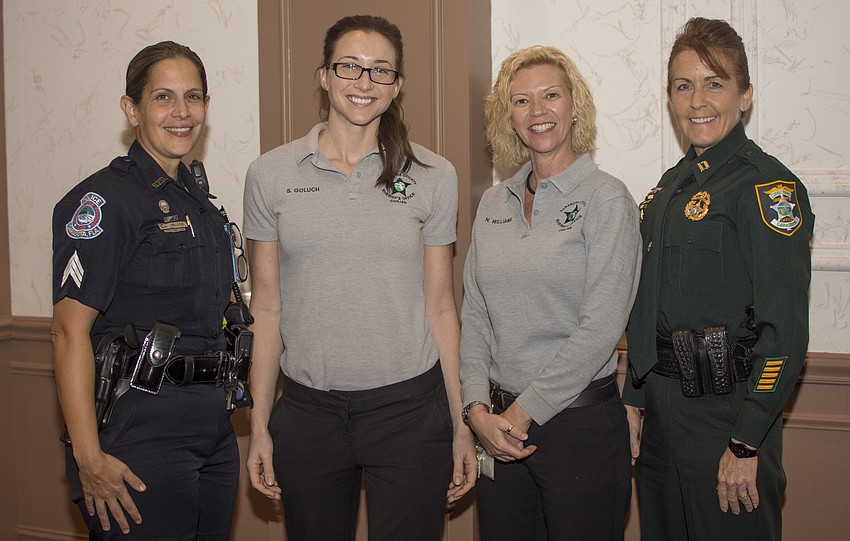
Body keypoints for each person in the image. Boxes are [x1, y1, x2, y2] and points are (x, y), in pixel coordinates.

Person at [243, 14, 476, 541]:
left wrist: (461, 424)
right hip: (308, 414)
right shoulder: (270, 174)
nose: (363, 82)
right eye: (348, 66)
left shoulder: (434, 177)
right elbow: (268, 308)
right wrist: (259, 423)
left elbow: (441, 306)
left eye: (379, 71)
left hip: (410, 415)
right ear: (324, 76)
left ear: (398, 87)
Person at [623, 17, 815, 541]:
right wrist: (635, 399)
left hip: (727, 416)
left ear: (745, 95)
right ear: (670, 98)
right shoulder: (667, 190)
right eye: (683, 85)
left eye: (715, 83)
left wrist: (747, 441)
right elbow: (650, 303)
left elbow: (786, 331)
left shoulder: (767, 188)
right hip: (661, 413)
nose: (697, 100)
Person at [51, 41, 241, 540]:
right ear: (132, 109)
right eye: (163, 97)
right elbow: (69, 335)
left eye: (193, 97)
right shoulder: (105, 201)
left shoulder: (199, 203)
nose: (182, 112)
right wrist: (87, 455)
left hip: (212, 428)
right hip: (138, 428)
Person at [460, 45, 641, 540]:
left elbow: (601, 328)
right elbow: (475, 316)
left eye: (551, 96)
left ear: (574, 105)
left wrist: (517, 416)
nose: (537, 111)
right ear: (508, 116)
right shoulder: (494, 203)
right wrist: (477, 411)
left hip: (576, 429)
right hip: (497, 429)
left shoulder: (607, 199)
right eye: (521, 100)